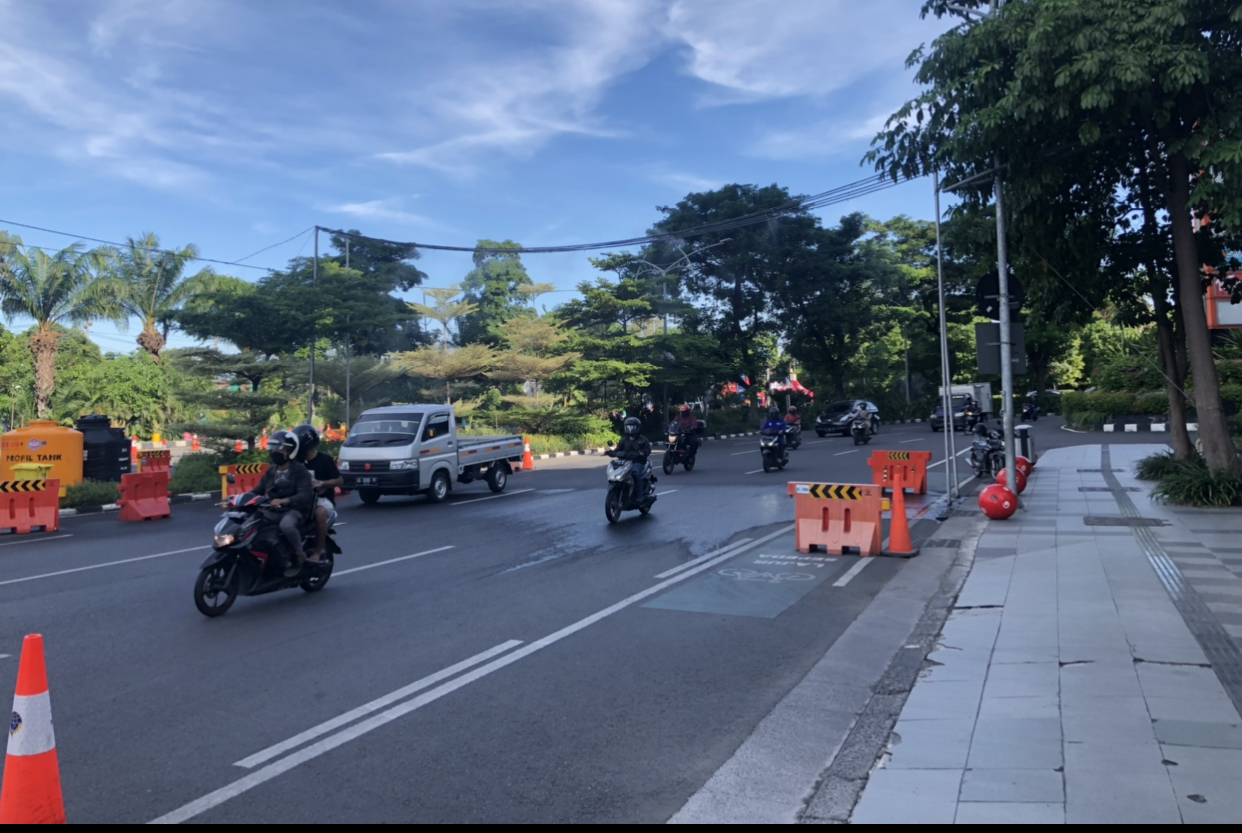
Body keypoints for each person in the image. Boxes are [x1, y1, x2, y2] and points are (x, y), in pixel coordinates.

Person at [253, 430, 314, 577]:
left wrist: (285, 500)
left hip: (295, 510)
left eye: (279, 450)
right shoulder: (271, 471)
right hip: (273, 510)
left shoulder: (299, 470)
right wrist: (237, 498)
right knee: (252, 525)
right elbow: (258, 490)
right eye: (273, 449)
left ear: (290, 452)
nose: (274, 453)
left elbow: (305, 494)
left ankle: (299, 555)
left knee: (286, 525)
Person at [292, 424, 342, 564]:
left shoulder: (324, 460)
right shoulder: (296, 461)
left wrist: (322, 483)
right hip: (301, 499)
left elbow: (339, 480)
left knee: (319, 513)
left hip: (322, 499)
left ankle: (317, 553)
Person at [607, 416, 654, 498]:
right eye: (628, 427)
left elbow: (648, 450)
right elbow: (618, 449)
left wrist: (643, 453)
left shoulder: (643, 439)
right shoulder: (624, 440)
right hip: (625, 462)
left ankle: (640, 495)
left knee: (635, 472)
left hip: (638, 462)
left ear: (637, 428)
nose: (630, 429)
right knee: (616, 471)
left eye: (632, 427)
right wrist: (610, 452)